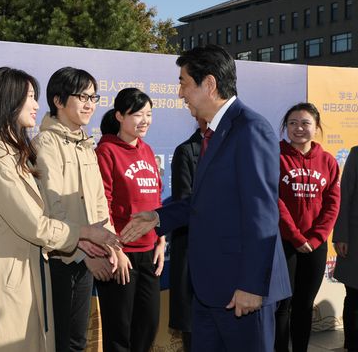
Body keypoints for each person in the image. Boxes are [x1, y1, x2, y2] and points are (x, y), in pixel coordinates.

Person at [120, 44, 291, 352]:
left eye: (184, 83)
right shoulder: (214, 133)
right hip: (210, 289)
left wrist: (252, 286)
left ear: (209, 84)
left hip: (243, 291)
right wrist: (159, 217)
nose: (180, 93)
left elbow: (262, 214)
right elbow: (206, 202)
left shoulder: (251, 130)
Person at [0, 67, 120, 352]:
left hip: (23, 270)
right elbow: (35, 224)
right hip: (5, 276)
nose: (36, 104)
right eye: (30, 96)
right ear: (9, 101)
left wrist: (98, 238)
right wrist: (85, 235)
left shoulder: (14, 153)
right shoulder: (0, 159)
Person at [34, 67, 117, 352]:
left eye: (94, 98)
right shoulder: (45, 143)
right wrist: (84, 254)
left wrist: (111, 244)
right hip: (60, 258)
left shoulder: (86, 143)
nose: (90, 104)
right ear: (58, 100)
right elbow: (51, 206)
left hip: (89, 252)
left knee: (78, 340)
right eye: (83, 97)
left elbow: (99, 201)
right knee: (62, 340)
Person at [95, 88, 165, 352]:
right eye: (137, 114)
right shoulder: (106, 151)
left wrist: (162, 239)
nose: (144, 120)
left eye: (148, 114)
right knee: (119, 333)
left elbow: (156, 200)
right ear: (119, 116)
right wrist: (115, 250)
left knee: (147, 327)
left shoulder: (147, 150)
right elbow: (103, 205)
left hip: (150, 253)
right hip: (121, 257)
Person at [275, 103, 340, 352]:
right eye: (292, 123)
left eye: (305, 123)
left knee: (304, 305)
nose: (298, 128)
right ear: (285, 127)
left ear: (316, 127)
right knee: (282, 305)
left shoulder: (328, 161)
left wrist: (314, 239)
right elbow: (275, 200)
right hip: (283, 243)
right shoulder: (275, 157)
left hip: (315, 246)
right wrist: (294, 236)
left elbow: (332, 205)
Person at [168, 116, 206, 352]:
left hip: (227, 255)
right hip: (194, 247)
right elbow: (185, 202)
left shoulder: (233, 148)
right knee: (193, 325)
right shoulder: (187, 151)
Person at [334, 146, 358, 352]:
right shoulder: (357, 154)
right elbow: (345, 196)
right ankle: (351, 344)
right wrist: (341, 235)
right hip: (355, 240)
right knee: (354, 296)